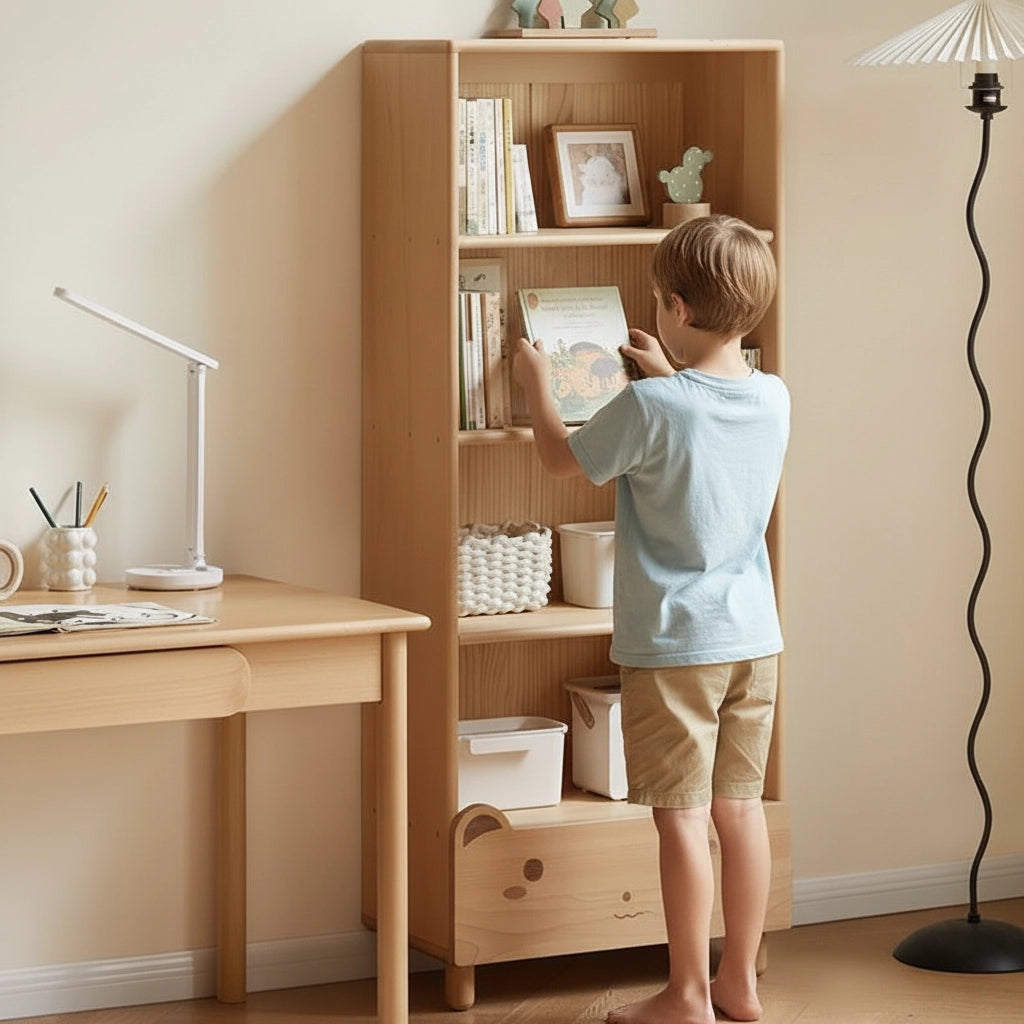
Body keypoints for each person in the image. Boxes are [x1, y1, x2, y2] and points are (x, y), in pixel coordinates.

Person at [512, 214, 789, 1024]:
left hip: (675, 645)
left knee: (682, 820)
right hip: (753, 638)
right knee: (741, 811)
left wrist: (535, 378)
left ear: (675, 307)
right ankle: (739, 983)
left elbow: (561, 458)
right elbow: (705, 428)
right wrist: (668, 369)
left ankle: (687, 994)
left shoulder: (652, 406)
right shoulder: (772, 395)